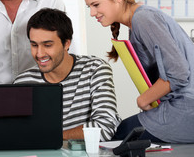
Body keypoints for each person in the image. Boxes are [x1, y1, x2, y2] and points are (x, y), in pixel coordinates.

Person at [80, 0, 194, 143]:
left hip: (189, 109)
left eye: (96, 5)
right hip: (183, 106)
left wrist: (144, 99)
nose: (92, 13)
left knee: (120, 136)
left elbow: (179, 73)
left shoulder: (143, 18)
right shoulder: (136, 22)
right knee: (122, 133)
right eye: (89, 6)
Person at [13, 8, 121, 141]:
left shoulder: (95, 69)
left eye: (47, 45)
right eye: (34, 45)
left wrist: (51, 137)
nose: (39, 54)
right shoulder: (23, 83)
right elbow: (20, 134)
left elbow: (105, 128)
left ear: (67, 43)